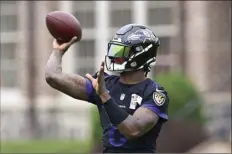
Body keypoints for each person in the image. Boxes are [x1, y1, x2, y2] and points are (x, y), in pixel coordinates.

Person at [45, 24, 169, 153]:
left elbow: (133, 129)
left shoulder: (154, 93)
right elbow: (52, 77)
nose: (115, 56)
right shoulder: (105, 83)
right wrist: (58, 51)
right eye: (115, 50)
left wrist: (104, 95)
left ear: (140, 55)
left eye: (122, 51)